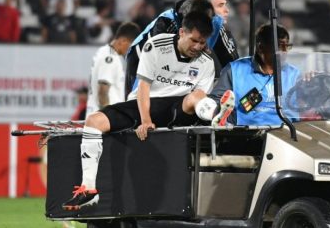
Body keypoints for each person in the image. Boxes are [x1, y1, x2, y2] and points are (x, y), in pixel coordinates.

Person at [62, 11, 230, 211]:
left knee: (196, 98)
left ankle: (216, 117)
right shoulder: (157, 46)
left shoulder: (207, 62)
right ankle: (89, 190)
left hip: (178, 108)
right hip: (145, 104)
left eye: (202, 43)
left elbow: (199, 95)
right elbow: (143, 86)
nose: (197, 47)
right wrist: (146, 119)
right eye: (194, 40)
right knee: (93, 121)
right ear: (182, 32)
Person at [203, 23, 300, 126]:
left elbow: (305, 106)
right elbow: (215, 103)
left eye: (287, 46)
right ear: (260, 47)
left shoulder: (294, 74)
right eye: (280, 47)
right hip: (245, 134)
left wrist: (310, 86)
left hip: (287, 134)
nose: (284, 52)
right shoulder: (235, 70)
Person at [86, 22, 141, 115]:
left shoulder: (108, 53)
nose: (131, 50)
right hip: (103, 122)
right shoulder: (110, 58)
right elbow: (103, 91)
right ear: (122, 41)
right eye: (131, 45)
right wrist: (109, 118)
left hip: (100, 118)